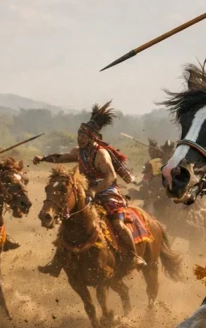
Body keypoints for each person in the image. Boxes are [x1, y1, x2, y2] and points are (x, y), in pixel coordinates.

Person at [33, 102, 144, 273]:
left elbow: (111, 177)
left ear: (92, 137)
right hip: (86, 191)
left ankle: (133, 255)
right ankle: (57, 262)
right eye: (79, 134)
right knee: (68, 219)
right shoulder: (79, 152)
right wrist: (43, 158)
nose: (80, 138)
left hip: (107, 191)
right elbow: (62, 157)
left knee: (118, 224)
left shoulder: (101, 154)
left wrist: (95, 190)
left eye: (84, 135)